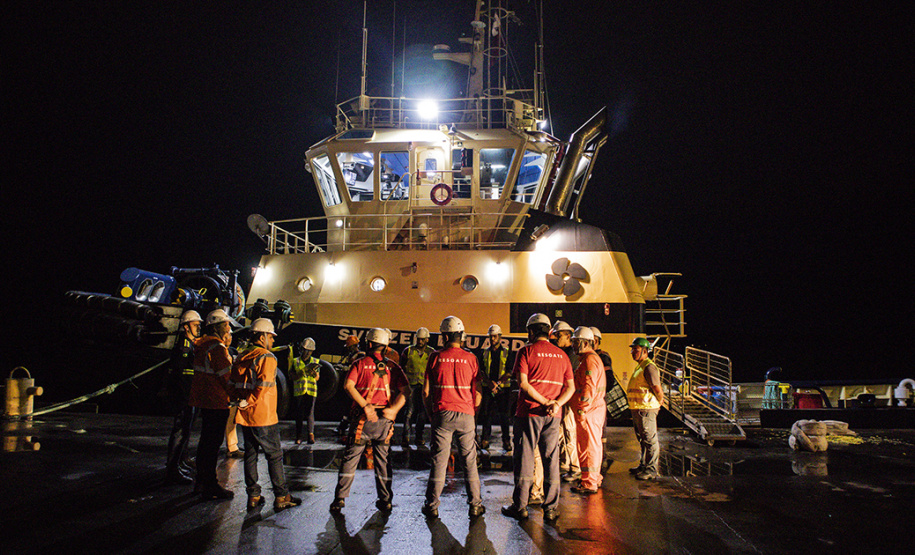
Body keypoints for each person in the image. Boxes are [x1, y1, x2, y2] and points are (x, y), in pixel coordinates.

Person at [501, 313, 574, 522]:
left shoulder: (525, 351)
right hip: (554, 415)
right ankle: (551, 508)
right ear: (549, 332)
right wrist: (556, 403)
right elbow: (571, 387)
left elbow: (523, 384)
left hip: (529, 412)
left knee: (524, 458)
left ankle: (520, 506)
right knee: (551, 460)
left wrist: (543, 402)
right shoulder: (562, 355)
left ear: (531, 331)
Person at [330, 328, 409, 513]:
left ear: (370, 344)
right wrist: (394, 410)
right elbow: (407, 391)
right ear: (385, 345)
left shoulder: (359, 363)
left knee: (350, 459)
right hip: (385, 422)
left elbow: (348, 386)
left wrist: (365, 405)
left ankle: (339, 499)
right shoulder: (393, 367)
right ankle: (386, 500)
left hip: (362, 421)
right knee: (383, 461)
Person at [229, 318, 301, 511]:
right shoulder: (267, 357)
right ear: (262, 336)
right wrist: (250, 401)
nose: (273, 341)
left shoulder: (242, 355)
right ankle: (281, 496)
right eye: (270, 336)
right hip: (263, 415)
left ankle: (253, 495)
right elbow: (263, 387)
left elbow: (233, 384)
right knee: (274, 455)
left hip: (245, 415)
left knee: (251, 455)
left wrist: (241, 402)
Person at [421, 316, 485, 519]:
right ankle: (475, 505)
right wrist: (472, 411)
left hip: (442, 414)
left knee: (439, 461)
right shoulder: (471, 358)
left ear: (445, 336)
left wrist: (432, 413)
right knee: (469, 461)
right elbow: (478, 391)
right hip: (466, 414)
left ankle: (432, 505)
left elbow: (425, 392)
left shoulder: (435, 357)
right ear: (461, 335)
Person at [189, 308, 239, 499]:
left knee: (205, 444)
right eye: (226, 324)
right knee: (212, 445)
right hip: (217, 401)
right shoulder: (217, 348)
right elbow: (226, 377)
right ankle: (210, 485)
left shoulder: (202, 346)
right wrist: (237, 396)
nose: (228, 329)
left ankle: (201, 483)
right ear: (218, 327)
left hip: (204, 400)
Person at [165, 309, 201, 484]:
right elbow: (179, 374)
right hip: (183, 396)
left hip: (189, 394)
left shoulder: (190, 344)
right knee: (180, 431)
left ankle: (179, 463)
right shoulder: (184, 347)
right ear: (186, 327)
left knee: (185, 430)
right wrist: (183, 397)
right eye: (195, 325)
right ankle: (172, 470)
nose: (198, 328)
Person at [569, 327, 607, 494]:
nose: (573, 345)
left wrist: (581, 410)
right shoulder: (590, 359)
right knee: (593, 445)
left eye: (576, 342)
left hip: (588, 411)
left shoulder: (589, 361)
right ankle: (593, 478)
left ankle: (589, 483)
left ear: (585, 343)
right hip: (593, 410)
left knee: (587, 447)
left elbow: (588, 388)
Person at [627, 337, 665, 480]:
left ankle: (651, 470)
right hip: (638, 409)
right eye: (632, 349)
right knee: (643, 440)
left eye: (635, 350)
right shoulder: (641, 366)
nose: (632, 352)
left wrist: (659, 401)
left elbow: (657, 388)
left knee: (650, 440)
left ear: (644, 351)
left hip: (646, 409)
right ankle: (643, 465)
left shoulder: (649, 367)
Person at [551, 320, 580, 484]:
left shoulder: (571, 356)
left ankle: (574, 468)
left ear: (568, 335)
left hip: (568, 400)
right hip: (564, 400)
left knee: (569, 432)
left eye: (558, 335)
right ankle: (566, 463)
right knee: (562, 433)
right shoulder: (566, 354)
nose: (556, 338)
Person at [479, 324, 514, 452]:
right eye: (491, 336)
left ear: (500, 337)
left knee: (504, 416)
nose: (493, 339)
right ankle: (484, 440)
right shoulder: (485, 352)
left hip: (503, 389)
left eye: (495, 336)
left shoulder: (506, 352)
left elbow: (510, 371)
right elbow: (481, 371)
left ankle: (506, 441)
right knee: (486, 414)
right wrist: (490, 384)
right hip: (488, 388)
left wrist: (497, 383)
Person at [400, 327, 434, 446]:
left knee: (422, 414)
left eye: (422, 339)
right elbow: (401, 368)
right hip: (411, 386)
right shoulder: (408, 351)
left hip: (425, 387)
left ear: (427, 340)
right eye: (418, 339)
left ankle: (419, 437)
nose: (420, 341)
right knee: (409, 412)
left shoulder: (431, 353)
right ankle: (406, 438)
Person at [289, 337, 320, 444]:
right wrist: (301, 373)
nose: (307, 353)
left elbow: (317, 378)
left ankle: (311, 435)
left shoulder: (315, 361)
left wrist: (314, 373)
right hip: (300, 391)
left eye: (309, 351)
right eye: (305, 350)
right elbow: (291, 376)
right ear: (302, 349)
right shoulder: (295, 361)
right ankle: (299, 436)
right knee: (299, 414)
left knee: (310, 412)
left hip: (311, 391)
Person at [335, 335, 365, 438]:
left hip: (356, 387)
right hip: (350, 385)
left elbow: (358, 370)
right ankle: (343, 427)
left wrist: (344, 368)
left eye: (349, 346)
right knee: (347, 407)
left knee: (351, 408)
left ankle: (345, 428)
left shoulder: (360, 355)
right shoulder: (351, 355)